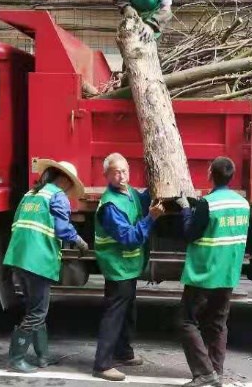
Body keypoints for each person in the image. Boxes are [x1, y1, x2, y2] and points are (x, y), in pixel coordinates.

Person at [2, 159, 89, 373]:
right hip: (38, 260)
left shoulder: (30, 195)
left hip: (19, 257)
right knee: (38, 312)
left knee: (34, 308)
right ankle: (16, 358)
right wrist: (78, 240)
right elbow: (62, 228)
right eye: (69, 186)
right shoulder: (57, 195)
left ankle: (42, 357)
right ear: (64, 180)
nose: (69, 191)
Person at [92, 152, 167, 382]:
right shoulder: (110, 205)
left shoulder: (132, 194)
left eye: (124, 171)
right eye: (116, 172)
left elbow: (145, 199)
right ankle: (102, 363)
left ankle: (123, 352)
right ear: (106, 175)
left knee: (127, 311)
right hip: (117, 267)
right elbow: (128, 237)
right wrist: (151, 218)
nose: (121, 176)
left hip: (129, 266)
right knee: (115, 313)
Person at [178, 157, 250, 387]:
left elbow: (190, 233)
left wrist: (186, 210)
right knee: (218, 323)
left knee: (186, 321)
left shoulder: (208, 204)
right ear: (232, 176)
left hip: (205, 273)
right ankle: (216, 372)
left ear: (210, 173)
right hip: (228, 274)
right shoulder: (243, 204)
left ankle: (204, 372)